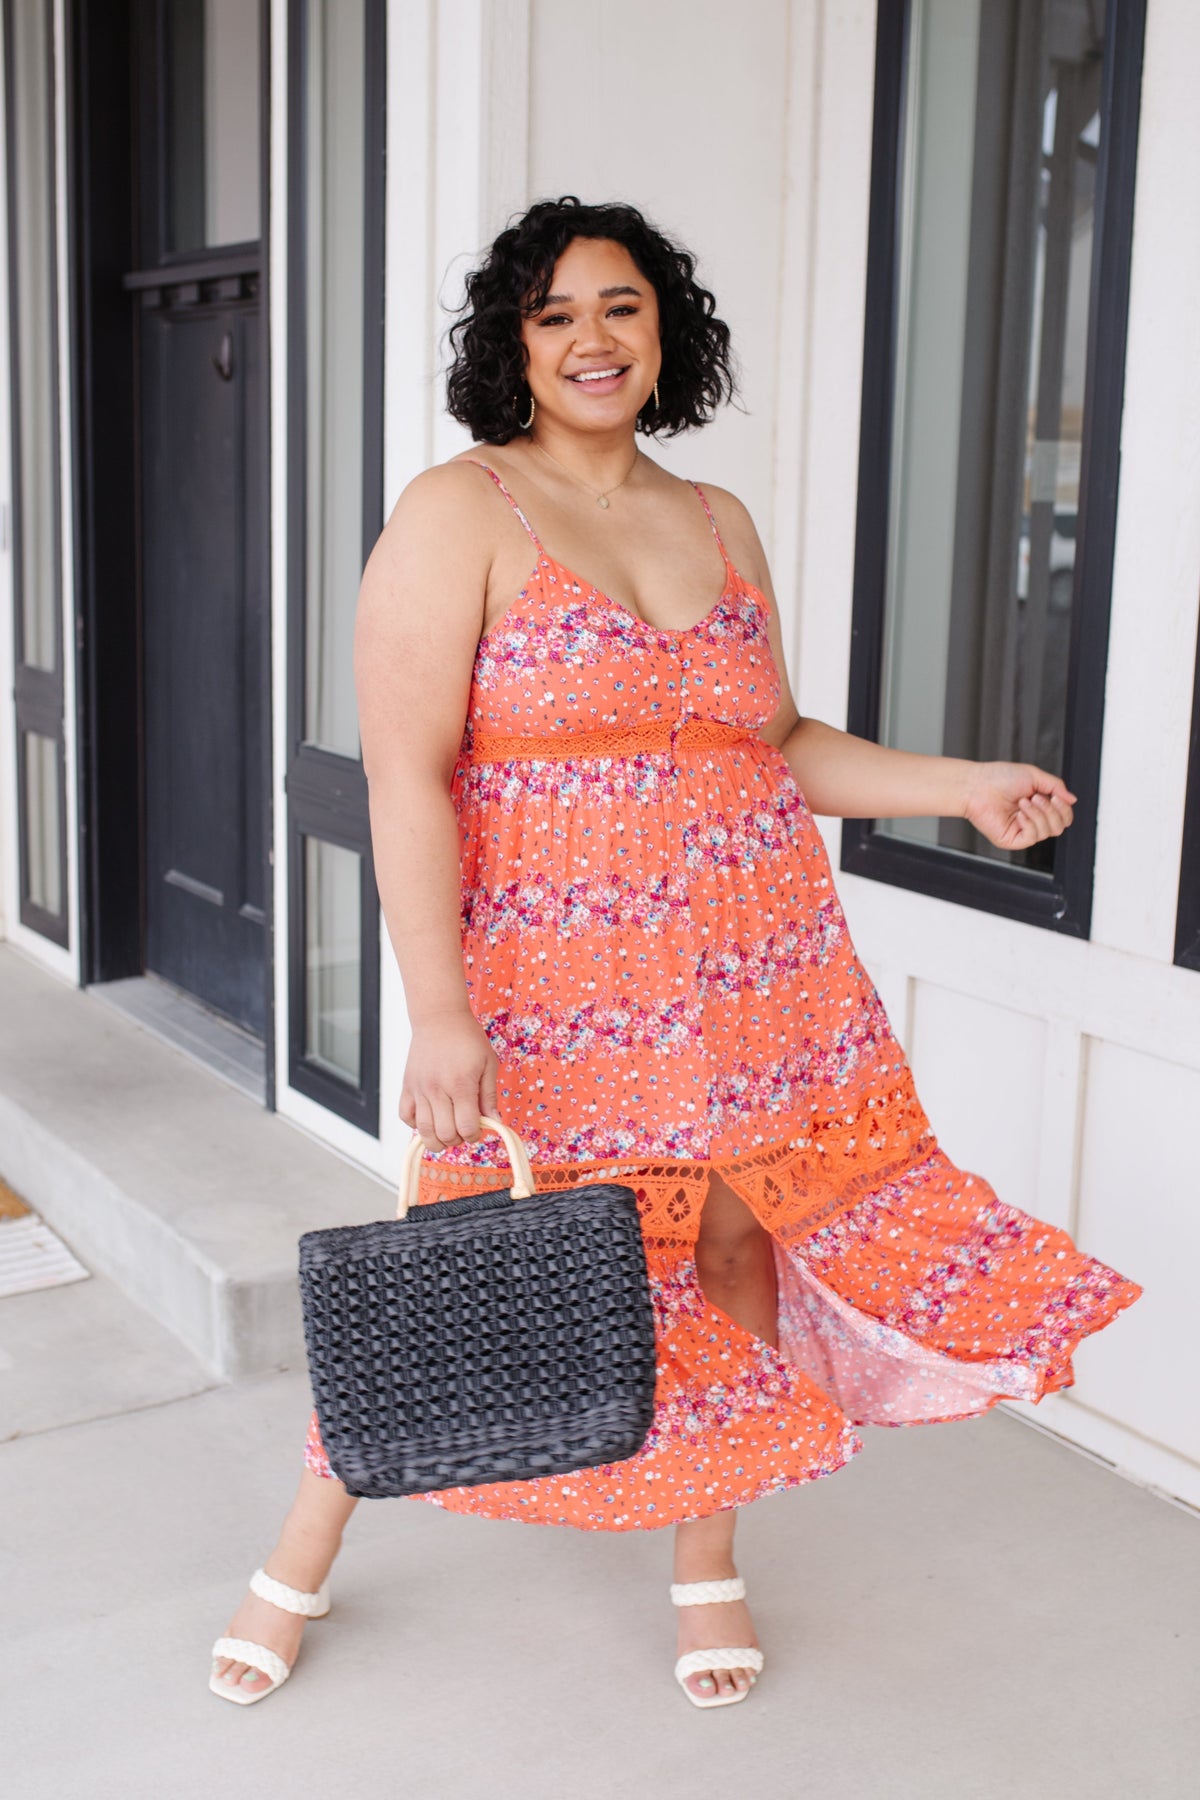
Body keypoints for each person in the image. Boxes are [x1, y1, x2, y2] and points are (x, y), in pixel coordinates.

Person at [210, 197, 1141, 1710]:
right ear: (514, 341)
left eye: (623, 308)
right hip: (555, 983)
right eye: (558, 312)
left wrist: (958, 789)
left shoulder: (717, 520)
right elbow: (403, 772)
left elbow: (773, 742)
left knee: (729, 1245)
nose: (594, 340)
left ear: (667, 331)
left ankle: (708, 1559)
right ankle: (301, 1552)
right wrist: (437, 1009)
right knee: (472, 1265)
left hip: (756, 963)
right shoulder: (462, 508)